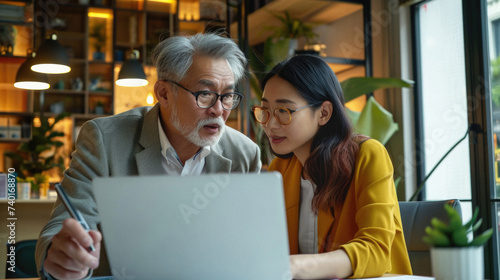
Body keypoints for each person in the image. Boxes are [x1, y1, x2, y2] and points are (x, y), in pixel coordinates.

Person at [35, 33, 262, 280]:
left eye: (228, 96)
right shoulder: (106, 140)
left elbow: (247, 244)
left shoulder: (244, 154)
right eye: (205, 94)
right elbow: (64, 224)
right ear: (164, 93)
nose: (219, 109)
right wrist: (61, 256)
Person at [251, 55, 412, 279]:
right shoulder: (281, 169)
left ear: (324, 113)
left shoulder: (367, 156)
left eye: (284, 111)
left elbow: (376, 250)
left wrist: (298, 266)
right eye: (265, 110)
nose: (270, 124)